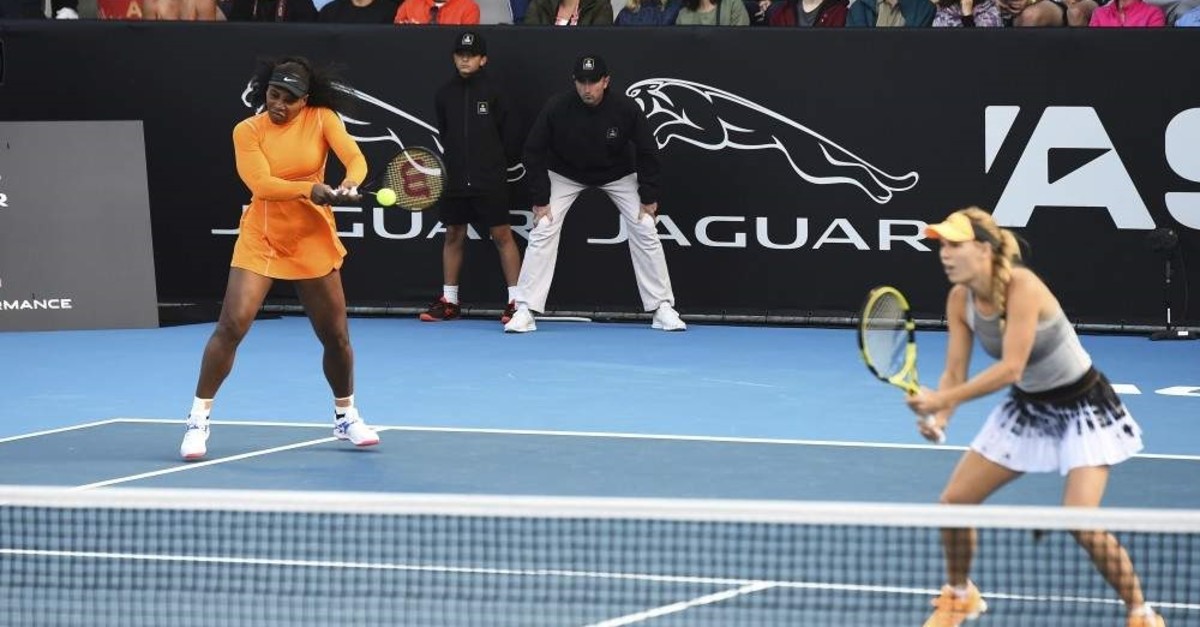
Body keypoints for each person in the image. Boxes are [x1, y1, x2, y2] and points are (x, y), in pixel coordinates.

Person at [909, 207, 1164, 627]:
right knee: (954, 504)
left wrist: (940, 400)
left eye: (955, 244)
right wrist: (941, 418)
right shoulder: (959, 299)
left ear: (984, 249)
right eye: (942, 246)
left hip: (1083, 408)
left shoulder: (1023, 286)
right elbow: (955, 371)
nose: (945, 254)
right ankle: (960, 596)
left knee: (1080, 521)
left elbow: (1011, 367)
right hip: (1029, 409)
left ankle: (1141, 612)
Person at [179, 57, 381, 461]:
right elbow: (261, 184)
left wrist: (350, 182)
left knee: (336, 337)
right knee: (231, 324)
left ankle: (346, 416)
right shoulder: (247, 130)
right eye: (274, 95)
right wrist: (310, 189)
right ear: (264, 91)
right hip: (263, 237)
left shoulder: (322, 119)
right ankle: (197, 421)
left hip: (311, 238)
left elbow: (355, 158)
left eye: (290, 99)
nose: (279, 105)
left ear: (305, 101)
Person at [504, 55, 686, 334]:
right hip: (565, 173)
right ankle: (525, 309)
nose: (587, 88)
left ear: (606, 81)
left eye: (593, 82)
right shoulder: (557, 107)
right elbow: (533, 151)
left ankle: (662, 307)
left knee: (645, 225)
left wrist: (648, 196)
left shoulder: (625, 108)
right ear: (574, 81)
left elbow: (648, 150)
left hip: (617, 174)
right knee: (543, 226)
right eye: (581, 82)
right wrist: (541, 199)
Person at [422, 31, 524, 324]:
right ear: (454, 58)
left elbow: (509, 135)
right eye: (460, 55)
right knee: (453, 234)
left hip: (490, 178)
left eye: (471, 55)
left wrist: (492, 164)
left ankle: (517, 303)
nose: (465, 59)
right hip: (455, 178)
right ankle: (450, 302)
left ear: (483, 59)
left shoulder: (495, 92)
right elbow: (445, 132)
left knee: (502, 235)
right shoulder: (444, 94)